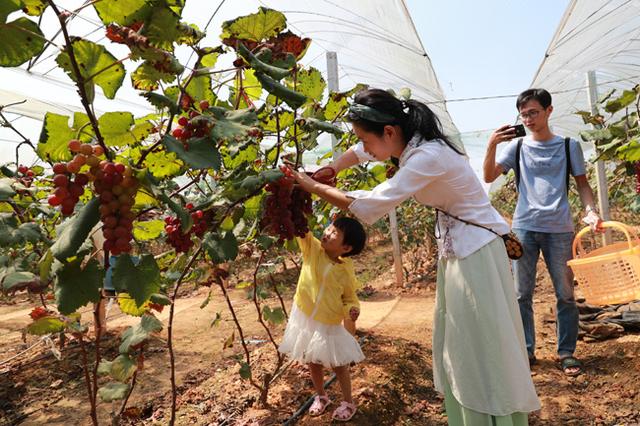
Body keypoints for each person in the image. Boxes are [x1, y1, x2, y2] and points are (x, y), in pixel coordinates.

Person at [290, 88, 540, 425]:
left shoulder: (427, 157)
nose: (363, 148)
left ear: (389, 132)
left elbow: (370, 204)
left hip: (476, 255)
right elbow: (360, 152)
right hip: (460, 253)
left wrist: (313, 187)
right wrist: (333, 167)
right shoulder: (410, 144)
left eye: (366, 138)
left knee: (482, 347)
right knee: (462, 345)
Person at [483, 88, 602, 376]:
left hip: (560, 229)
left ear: (549, 111)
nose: (528, 119)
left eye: (533, 113)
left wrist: (590, 211)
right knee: (521, 294)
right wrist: (492, 145)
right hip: (524, 227)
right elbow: (487, 177)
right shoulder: (518, 147)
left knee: (565, 294)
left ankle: (566, 352)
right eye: (524, 115)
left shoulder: (568, 146)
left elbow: (583, 185)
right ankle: (526, 351)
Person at [279, 216, 367, 422]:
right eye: (330, 227)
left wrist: (352, 309)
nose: (328, 232)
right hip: (306, 315)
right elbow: (302, 228)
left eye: (335, 232)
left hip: (328, 322)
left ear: (346, 248)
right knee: (312, 360)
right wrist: (295, 202)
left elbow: (349, 297)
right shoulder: (313, 249)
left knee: (338, 365)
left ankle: (348, 402)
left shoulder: (345, 270)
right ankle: (321, 396)